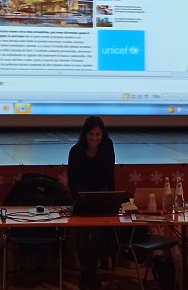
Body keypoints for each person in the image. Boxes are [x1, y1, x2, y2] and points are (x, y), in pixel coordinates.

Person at [67, 116, 116, 289]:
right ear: (85, 134)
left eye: (98, 134)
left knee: (99, 231)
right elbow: (72, 182)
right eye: (91, 134)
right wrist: (81, 198)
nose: (94, 138)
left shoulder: (108, 147)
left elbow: (110, 176)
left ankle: (93, 269)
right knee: (81, 231)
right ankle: (84, 271)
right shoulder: (75, 151)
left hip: (101, 194)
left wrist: (112, 200)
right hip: (81, 195)